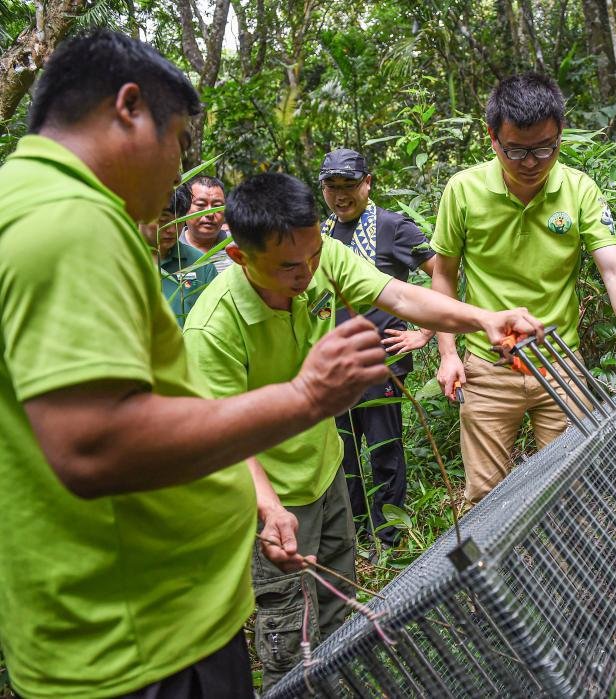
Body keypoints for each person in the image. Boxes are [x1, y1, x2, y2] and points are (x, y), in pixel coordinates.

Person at [0, 30, 395, 698]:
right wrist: (306, 397)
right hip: (144, 645)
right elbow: (95, 445)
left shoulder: (31, 202)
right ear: (129, 108)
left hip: (137, 622)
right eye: (180, 139)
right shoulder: (68, 222)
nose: (181, 169)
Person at [182, 172, 542, 688]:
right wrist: (268, 507)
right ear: (241, 257)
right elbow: (222, 434)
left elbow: (399, 295)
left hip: (325, 473)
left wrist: (483, 319)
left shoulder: (316, 253)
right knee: (289, 631)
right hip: (269, 499)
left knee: (335, 607)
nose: (308, 271)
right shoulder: (214, 326)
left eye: (313, 256)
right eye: (289, 266)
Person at [431, 72, 616, 508]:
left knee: (575, 493)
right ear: (492, 138)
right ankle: (500, 578)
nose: (531, 162)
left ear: (560, 135)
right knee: (486, 500)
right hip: (489, 367)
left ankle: (568, 575)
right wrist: (449, 354)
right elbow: (444, 275)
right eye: (516, 150)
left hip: (560, 363)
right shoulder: (464, 190)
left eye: (544, 148)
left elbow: (614, 270)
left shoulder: (579, 189)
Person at [320, 147, 436, 549]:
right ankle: (354, 533)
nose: (340, 195)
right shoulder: (322, 234)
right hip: (334, 366)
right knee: (342, 453)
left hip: (381, 363)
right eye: (332, 187)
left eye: (349, 185)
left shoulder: (393, 227)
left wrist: (424, 332)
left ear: (368, 184)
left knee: (384, 450)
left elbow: (444, 273)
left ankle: (389, 538)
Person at [139, 185, 218, 325]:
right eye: (163, 221)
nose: (172, 230)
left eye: (179, 222)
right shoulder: (121, 258)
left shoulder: (201, 265)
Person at [181, 174, 232, 273]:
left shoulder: (239, 247)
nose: (210, 213)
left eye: (217, 206)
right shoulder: (171, 247)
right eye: (201, 205)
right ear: (185, 207)